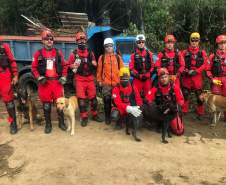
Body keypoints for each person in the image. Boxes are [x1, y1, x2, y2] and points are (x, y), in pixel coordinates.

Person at [31, 30, 68, 134]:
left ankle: (61, 123)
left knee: (60, 105)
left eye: (51, 39)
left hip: (57, 83)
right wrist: (38, 77)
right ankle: (48, 124)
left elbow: (64, 66)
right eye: (47, 39)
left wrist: (64, 76)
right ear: (43, 40)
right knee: (46, 106)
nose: (49, 41)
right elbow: (33, 68)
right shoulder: (38, 54)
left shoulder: (58, 53)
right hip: (45, 83)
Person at [68, 32, 102, 127]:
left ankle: (94, 115)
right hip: (79, 79)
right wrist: (72, 65)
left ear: (85, 40)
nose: (82, 42)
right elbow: (68, 65)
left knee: (94, 99)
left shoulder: (90, 53)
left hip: (90, 79)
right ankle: (84, 117)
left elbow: (95, 64)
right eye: (80, 40)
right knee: (81, 101)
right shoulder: (73, 55)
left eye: (83, 40)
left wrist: (95, 64)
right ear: (77, 41)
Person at [145, 68, 184, 135]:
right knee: (150, 108)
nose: (164, 79)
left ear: (168, 77)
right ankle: (159, 123)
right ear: (159, 79)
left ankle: (171, 124)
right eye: (162, 77)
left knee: (179, 131)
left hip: (171, 111)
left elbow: (181, 100)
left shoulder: (174, 87)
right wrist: (150, 104)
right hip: (160, 110)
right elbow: (147, 98)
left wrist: (177, 106)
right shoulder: (156, 88)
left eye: (165, 77)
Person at [97, 38, 124, 125]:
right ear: (104, 47)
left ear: (113, 46)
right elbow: (99, 70)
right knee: (107, 100)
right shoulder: (102, 58)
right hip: (106, 83)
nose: (109, 47)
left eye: (110, 46)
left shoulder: (118, 57)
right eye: (107, 46)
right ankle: (107, 117)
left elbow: (122, 70)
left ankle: (117, 117)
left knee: (116, 101)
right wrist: (99, 80)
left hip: (116, 83)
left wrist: (121, 81)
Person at [181, 32, 208, 120]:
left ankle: (201, 113)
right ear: (190, 41)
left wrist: (197, 71)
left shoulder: (202, 52)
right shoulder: (185, 52)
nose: (194, 42)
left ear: (199, 41)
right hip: (187, 76)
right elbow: (181, 63)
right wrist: (186, 70)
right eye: (192, 40)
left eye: (196, 41)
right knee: (185, 94)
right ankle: (184, 110)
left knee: (199, 95)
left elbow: (205, 64)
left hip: (197, 76)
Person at [0, 40, 19, 134]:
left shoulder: (4, 46)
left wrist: (15, 75)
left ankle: (13, 123)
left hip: (4, 76)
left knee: (9, 103)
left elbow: (12, 60)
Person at [206, 35, 226, 120]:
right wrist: (212, 79)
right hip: (216, 79)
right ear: (217, 44)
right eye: (221, 43)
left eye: (224, 43)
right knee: (215, 98)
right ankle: (215, 117)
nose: (223, 45)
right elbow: (207, 69)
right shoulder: (212, 56)